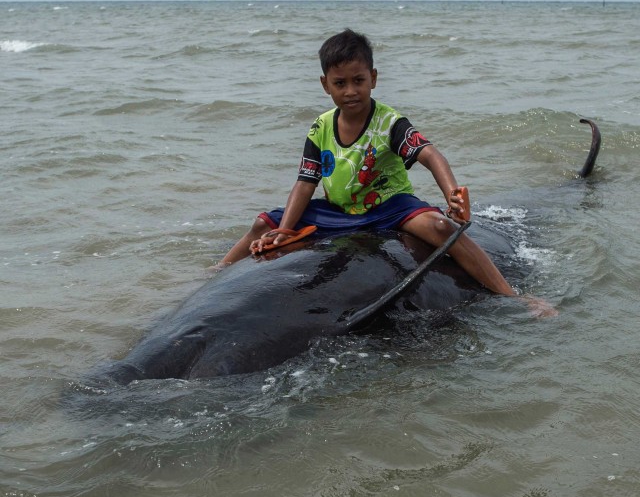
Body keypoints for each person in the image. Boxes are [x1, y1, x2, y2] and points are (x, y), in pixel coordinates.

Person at [218, 29, 556, 318]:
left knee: (442, 228)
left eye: (358, 81)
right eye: (340, 83)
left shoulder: (389, 122)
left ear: (373, 79)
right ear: (325, 85)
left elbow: (429, 154)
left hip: (390, 205)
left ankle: (511, 295)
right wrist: (287, 229)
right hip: (339, 211)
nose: (350, 91)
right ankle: (217, 270)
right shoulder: (321, 127)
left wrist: (452, 193)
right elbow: (306, 182)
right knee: (265, 224)